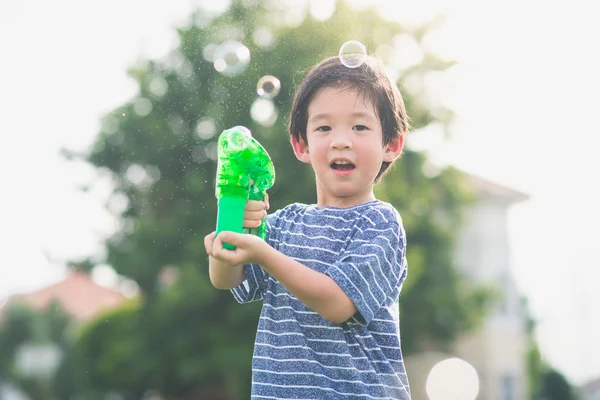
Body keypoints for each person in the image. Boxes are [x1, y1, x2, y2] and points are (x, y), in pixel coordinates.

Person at [204, 54, 411, 399]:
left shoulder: (380, 223)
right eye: (324, 127)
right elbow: (226, 280)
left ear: (391, 144)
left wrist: (263, 253)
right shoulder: (285, 223)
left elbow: (337, 304)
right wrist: (228, 236)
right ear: (302, 145)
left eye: (359, 127)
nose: (340, 140)